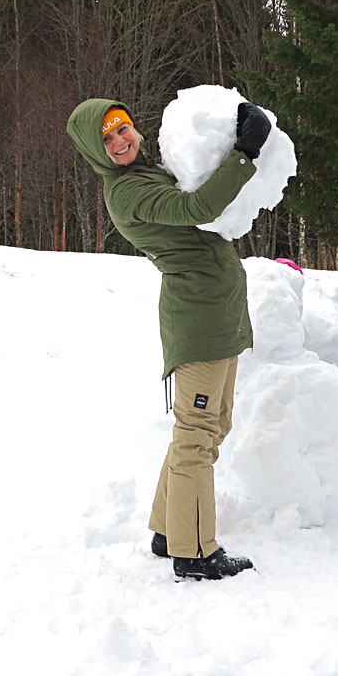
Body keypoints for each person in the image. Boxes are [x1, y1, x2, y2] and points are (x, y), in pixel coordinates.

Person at [65, 98, 271, 580]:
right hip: (197, 320)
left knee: (211, 426)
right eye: (106, 139)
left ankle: (167, 529)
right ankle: (193, 551)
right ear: (95, 151)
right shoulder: (127, 192)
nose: (119, 141)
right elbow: (197, 207)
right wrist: (244, 153)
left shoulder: (148, 173)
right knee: (196, 435)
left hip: (217, 313)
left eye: (121, 128)